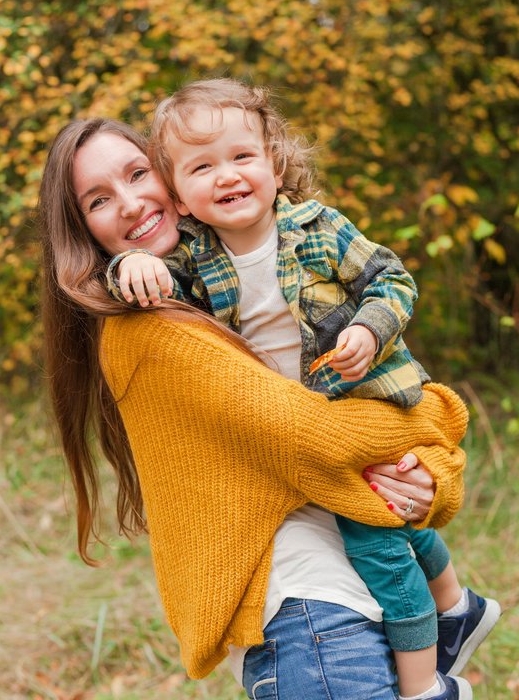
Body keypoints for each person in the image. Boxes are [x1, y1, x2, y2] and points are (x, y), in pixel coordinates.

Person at [40, 117, 474, 699]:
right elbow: (323, 440)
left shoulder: (221, 273)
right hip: (311, 620)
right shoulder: (148, 330)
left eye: (138, 173)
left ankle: (456, 615)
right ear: (82, 230)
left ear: (166, 176)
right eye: (97, 200)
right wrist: (439, 418)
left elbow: (344, 441)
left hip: (350, 595)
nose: (128, 202)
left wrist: (428, 477)